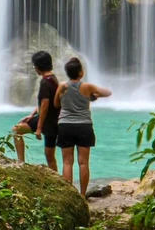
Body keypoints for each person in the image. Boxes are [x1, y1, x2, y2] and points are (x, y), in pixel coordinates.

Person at [54, 57, 112, 197]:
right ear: (80, 73)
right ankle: (82, 195)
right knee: (83, 163)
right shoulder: (86, 87)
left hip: (65, 125)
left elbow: (56, 104)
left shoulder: (62, 86)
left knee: (67, 163)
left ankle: (69, 196)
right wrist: (93, 95)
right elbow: (108, 92)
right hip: (84, 126)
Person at [11, 51, 60, 171]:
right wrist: (32, 115)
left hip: (48, 122)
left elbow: (45, 105)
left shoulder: (45, 82)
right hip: (52, 120)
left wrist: (39, 128)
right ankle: (57, 178)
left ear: (38, 66)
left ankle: (21, 163)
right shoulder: (53, 79)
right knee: (50, 155)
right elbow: (44, 103)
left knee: (17, 131)